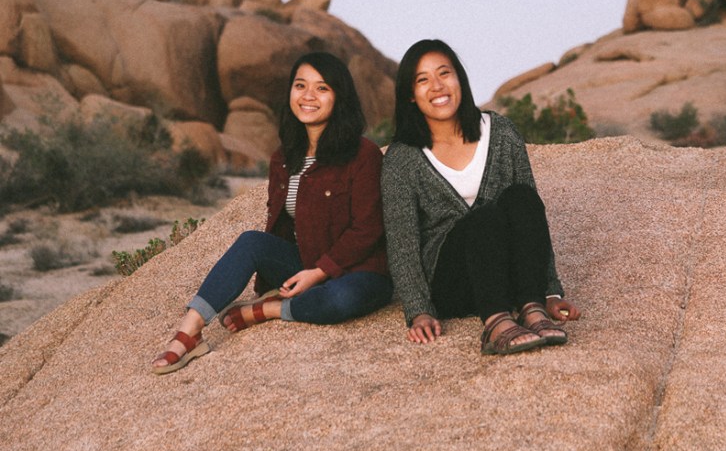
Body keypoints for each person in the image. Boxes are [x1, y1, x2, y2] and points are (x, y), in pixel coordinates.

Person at [152, 51, 392, 374]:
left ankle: (272, 310)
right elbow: (278, 224)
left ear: (339, 97)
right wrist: (274, 273)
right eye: (300, 86)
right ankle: (190, 330)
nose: (308, 96)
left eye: (322, 88)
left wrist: (318, 273)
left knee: (340, 299)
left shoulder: (362, 154)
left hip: (358, 272)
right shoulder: (284, 157)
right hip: (305, 263)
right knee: (251, 241)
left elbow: (368, 228)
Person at [381, 39, 580, 356]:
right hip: (453, 285)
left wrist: (552, 291)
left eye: (444, 73)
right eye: (423, 80)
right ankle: (496, 323)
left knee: (522, 197)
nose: (437, 86)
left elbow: (532, 222)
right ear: (410, 95)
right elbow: (401, 242)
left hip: (508, 274)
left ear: (459, 78)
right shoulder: (402, 159)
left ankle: (532, 309)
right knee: (483, 217)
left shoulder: (501, 131)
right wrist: (418, 309)